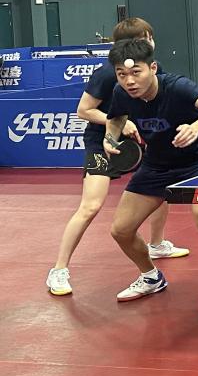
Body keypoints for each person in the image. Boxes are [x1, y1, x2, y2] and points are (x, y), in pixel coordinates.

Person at [46, 19, 189, 297]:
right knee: (90, 206)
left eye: (150, 37)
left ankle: (157, 244)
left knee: (159, 192)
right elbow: (84, 110)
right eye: (144, 38)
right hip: (102, 143)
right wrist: (118, 122)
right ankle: (59, 269)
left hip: (138, 139)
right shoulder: (107, 73)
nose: (150, 42)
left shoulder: (151, 68)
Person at [103, 38, 198, 314]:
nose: (129, 81)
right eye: (121, 74)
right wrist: (109, 138)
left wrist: (195, 128)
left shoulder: (177, 87)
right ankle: (151, 277)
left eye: (136, 72)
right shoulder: (121, 93)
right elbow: (115, 118)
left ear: (152, 68)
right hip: (157, 165)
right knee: (121, 230)